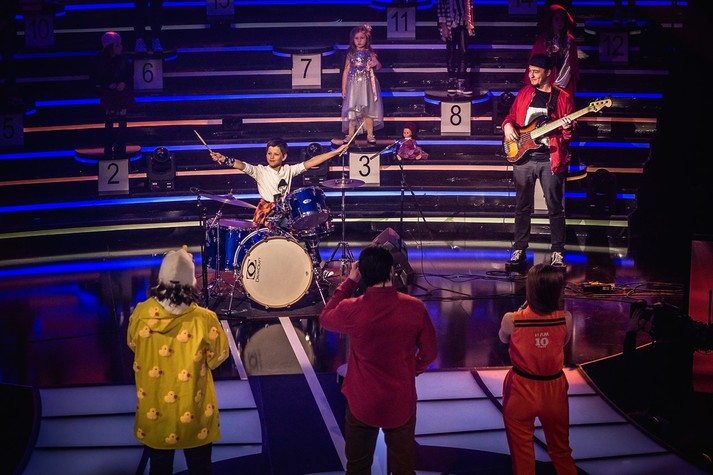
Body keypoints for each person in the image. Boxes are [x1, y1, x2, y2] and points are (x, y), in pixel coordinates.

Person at [319, 244, 438, 473]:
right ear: (392, 271)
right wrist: (412, 369)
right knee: (403, 468)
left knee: (358, 467)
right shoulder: (415, 307)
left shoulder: (351, 308)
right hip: (400, 400)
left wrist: (349, 282)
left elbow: (325, 318)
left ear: (361, 273)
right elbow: (430, 353)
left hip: (362, 401)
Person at [127, 246, 230, 474]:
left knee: (159, 467)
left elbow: (133, 344)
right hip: (194, 410)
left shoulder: (140, 314)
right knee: (200, 467)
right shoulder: (205, 319)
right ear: (191, 280)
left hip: (155, 410)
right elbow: (218, 357)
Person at [498, 263, 577, 475]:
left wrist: (520, 315)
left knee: (522, 455)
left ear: (530, 289)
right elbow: (563, 342)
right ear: (558, 291)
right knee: (561, 451)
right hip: (554, 390)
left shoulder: (511, 319)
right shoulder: (566, 318)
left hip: (521, 390)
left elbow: (502, 338)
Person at [502, 53, 575, 269]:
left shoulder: (562, 98)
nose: (531, 75)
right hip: (523, 158)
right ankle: (519, 249)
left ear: (548, 73)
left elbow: (569, 135)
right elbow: (510, 117)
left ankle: (558, 252)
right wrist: (507, 126)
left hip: (549, 159)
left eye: (536, 72)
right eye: (530, 71)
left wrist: (567, 128)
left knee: (555, 207)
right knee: (522, 206)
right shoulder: (525, 93)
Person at [210, 139, 349, 228]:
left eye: (276, 154)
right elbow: (241, 165)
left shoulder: (289, 170)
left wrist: (336, 151)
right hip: (266, 214)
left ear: (284, 156)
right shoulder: (260, 171)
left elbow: (312, 162)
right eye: (269, 153)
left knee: (308, 226)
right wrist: (224, 159)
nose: (271, 157)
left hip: (284, 212)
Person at [94, 31, 134, 159]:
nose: (120, 47)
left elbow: (129, 75)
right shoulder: (100, 60)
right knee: (109, 118)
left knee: (122, 117)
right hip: (108, 93)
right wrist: (108, 85)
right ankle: (108, 146)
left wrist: (123, 83)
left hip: (122, 93)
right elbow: (96, 78)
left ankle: (121, 147)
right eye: (117, 45)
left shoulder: (123, 59)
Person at [341, 23, 384, 145]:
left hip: (367, 85)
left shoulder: (370, 53)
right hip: (354, 85)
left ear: (367, 39)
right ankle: (350, 134)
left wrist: (375, 64)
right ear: (353, 40)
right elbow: (346, 70)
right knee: (353, 109)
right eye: (356, 38)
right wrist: (344, 87)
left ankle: (370, 134)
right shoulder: (351, 53)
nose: (359, 41)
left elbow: (379, 66)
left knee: (368, 109)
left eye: (362, 38)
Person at [526, 4, 579, 97]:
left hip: (565, 80)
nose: (560, 22)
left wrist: (561, 81)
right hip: (545, 80)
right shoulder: (542, 40)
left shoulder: (569, 40)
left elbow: (571, 63)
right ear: (551, 20)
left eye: (562, 19)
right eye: (556, 19)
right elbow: (536, 63)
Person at [437, 0, 475, 96]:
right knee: (451, 52)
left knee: (464, 51)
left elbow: (470, 6)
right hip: (450, 23)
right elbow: (440, 7)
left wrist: (470, 24)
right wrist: (443, 25)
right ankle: (452, 80)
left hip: (464, 23)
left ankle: (461, 81)